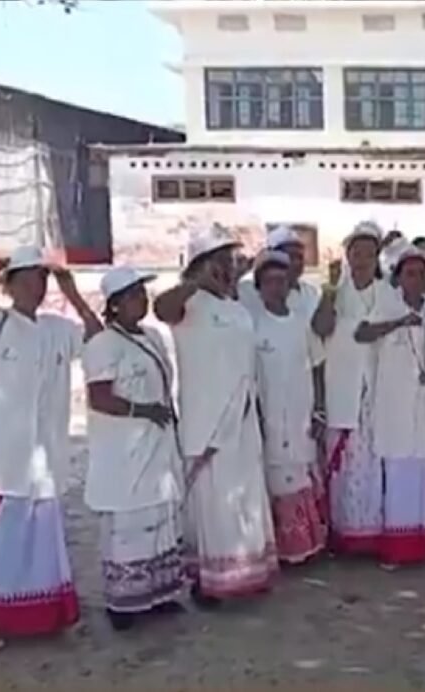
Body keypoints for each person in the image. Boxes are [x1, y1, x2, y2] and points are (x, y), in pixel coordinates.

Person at [0, 246, 101, 649]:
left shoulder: (57, 328)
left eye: (42, 278)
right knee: (2, 541)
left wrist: (73, 295)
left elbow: (96, 338)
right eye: (29, 278)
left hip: (45, 457)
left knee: (44, 543)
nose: (37, 285)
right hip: (4, 457)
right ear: (11, 285)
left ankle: (46, 615)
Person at [154, 227, 278, 605]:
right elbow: (161, 308)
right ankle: (210, 582)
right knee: (213, 503)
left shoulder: (237, 308)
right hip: (208, 422)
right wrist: (195, 282)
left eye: (230, 260)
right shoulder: (188, 304)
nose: (227, 268)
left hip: (243, 419)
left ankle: (247, 573)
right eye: (219, 261)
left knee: (244, 498)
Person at [83, 266, 185, 630]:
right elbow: (99, 397)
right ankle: (124, 603)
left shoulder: (153, 337)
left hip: (155, 444)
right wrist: (142, 411)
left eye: (142, 294)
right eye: (132, 296)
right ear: (114, 304)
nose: (140, 301)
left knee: (159, 516)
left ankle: (159, 592)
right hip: (123, 448)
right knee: (128, 525)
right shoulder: (103, 344)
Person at [356, 245, 425, 568]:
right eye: (409, 273)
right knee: (398, 478)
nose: (416, 279)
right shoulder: (386, 305)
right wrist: (398, 322)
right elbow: (361, 333)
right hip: (395, 409)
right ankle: (396, 551)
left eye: (421, 274)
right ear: (398, 278)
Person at [312, 220, 390, 555]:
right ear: (347, 256)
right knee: (345, 468)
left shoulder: (388, 293)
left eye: (369, 255)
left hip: (378, 394)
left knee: (374, 466)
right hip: (343, 393)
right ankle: (344, 535)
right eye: (356, 254)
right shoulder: (336, 292)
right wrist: (329, 291)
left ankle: (374, 534)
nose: (362, 261)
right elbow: (320, 329)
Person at [253, 251, 328, 565]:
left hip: (302, 414)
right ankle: (283, 550)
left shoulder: (301, 324)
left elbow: (317, 366)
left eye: (281, 281)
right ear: (259, 288)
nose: (276, 287)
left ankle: (309, 544)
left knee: (303, 474)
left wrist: (320, 409)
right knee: (277, 477)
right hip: (270, 418)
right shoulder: (254, 327)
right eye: (269, 282)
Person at [239, 224, 321, 321]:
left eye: (300, 257)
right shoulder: (247, 290)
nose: (297, 263)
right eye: (291, 256)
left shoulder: (311, 292)